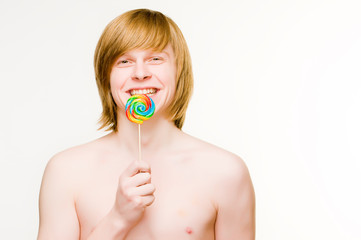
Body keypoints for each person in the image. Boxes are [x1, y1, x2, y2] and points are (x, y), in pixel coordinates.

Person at [37, 8, 255, 240]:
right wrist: (117, 219)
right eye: (124, 61)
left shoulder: (225, 172)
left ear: (178, 70)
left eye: (156, 58)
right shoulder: (65, 171)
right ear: (106, 76)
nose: (140, 73)